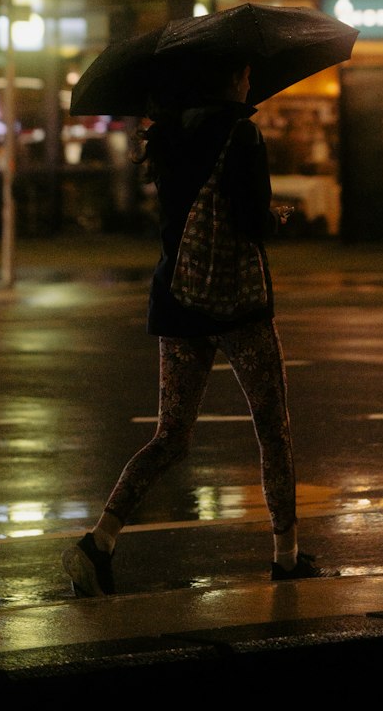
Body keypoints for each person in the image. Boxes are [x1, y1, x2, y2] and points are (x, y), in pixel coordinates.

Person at [61, 56, 319, 595]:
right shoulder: (241, 136)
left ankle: (100, 541)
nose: (250, 74)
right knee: (272, 428)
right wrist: (282, 218)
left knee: (171, 435)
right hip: (238, 304)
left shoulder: (168, 138)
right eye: (244, 69)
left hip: (179, 299)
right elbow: (252, 220)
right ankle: (286, 555)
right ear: (228, 77)